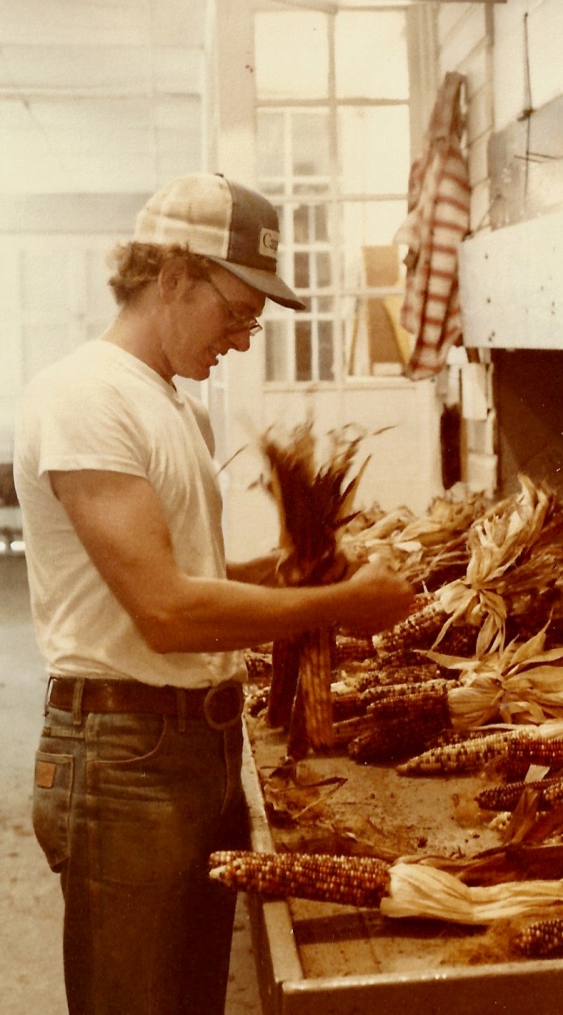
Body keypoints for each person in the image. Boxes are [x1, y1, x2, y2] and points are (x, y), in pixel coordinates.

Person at [13, 171, 415, 1015]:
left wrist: (304, 570)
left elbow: (192, 577)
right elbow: (166, 614)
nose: (241, 338)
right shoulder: (86, 397)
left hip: (195, 749)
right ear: (171, 278)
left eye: (253, 320)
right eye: (236, 311)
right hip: (126, 755)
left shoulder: (167, 405)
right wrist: (342, 608)